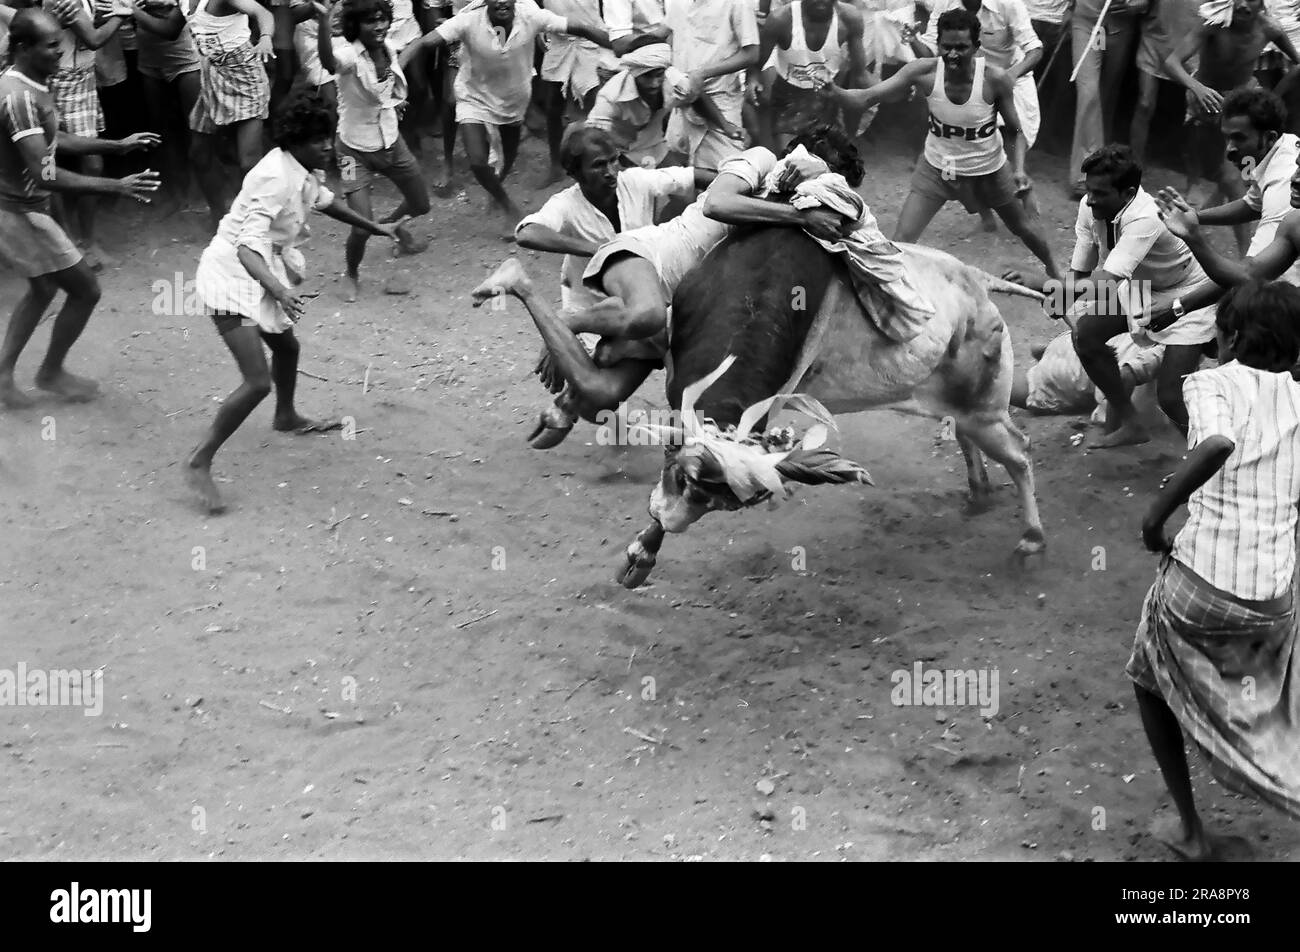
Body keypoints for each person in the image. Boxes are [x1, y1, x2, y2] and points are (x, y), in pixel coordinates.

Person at [471, 126, 925, 448]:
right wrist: (801, 216)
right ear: (807, 162)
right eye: (827, 182)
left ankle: (566, 384)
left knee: (602, 397)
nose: (826, 194)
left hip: (672, 298)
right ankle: (554, 318)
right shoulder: (763, 161)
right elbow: (719, 203)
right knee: (645, 315)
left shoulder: (786, 201)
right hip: (645, 255)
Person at [1132, 279, 1300, 860]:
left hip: (1203, 583)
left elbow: (1216, 443)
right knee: (1268, 710)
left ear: (1224, 338)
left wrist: (1156, 520)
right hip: (1273, 594)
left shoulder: (1209, 382)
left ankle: (1191, 830)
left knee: (1147, 674)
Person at [184, 89, 402, 515]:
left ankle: (286, 416)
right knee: (256, 382)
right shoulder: (273, 176)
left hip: (262, 270)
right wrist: (279, 290)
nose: (328, 145)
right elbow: (246, 247)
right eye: (317, 138)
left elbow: (327, 203)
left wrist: (372, 226)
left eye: (328, 136)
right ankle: (199, 460)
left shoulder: (303, 168)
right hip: (231, 275)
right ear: (293, 138)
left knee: (287, 347)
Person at [822, 7, 1061, 284]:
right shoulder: (922, 72)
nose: (953, 55)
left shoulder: (995, 79)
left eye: (962, 47)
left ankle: (1055, 272)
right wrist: (835, 92)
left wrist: (1019, 168)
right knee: (903, 241)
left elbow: (1016, 130)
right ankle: (895, 294)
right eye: (947, 47)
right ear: (938, 45)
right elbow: (865, 98)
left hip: (989, 170)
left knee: (1023, 227)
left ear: (976, 47)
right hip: (937, 170)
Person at [0, 7, 159, 409]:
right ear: (22, 47)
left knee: (43, 288)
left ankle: (7, 376)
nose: (60, 52)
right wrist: (116, 185)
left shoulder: (31, 82)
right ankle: (48, 372)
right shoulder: (17, 96)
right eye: (52, 45)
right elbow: (46, 173)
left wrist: (116, 145)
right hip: (18, 211)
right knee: (85, 289)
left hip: (23, 206)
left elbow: (55, 142)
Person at [1055, 145, 1217, 448]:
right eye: (1089, 190)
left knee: (1170, 397)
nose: (1090, 199)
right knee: (1086, 335)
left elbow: (1106, 280)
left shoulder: (1146, 217)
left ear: (1128, 193)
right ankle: (1132, 424)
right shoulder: (1090, 205)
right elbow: (1082, 270)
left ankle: (1207, 458)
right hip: (1141, 286)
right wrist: (1062, 297)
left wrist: (1051, 290)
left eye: (1101, 193)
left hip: (1188, 295)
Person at [400, 0, 611, 232]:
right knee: (478, 162)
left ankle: (496, 186)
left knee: (508, 157)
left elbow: (580, 28)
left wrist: (618, 44)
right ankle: (508, 206)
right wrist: (396, 68)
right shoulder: (468, 20)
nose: (501, 0)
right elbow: (422, 44)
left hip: (514, 101)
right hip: (474, 97)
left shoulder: (531, 15)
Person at [315, 0, 430, 301]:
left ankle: (393, 228)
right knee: (361, 227)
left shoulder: (390, 48)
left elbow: (387, 88)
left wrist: (396, 101)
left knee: (420, 204)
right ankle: (351, 273)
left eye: (381, 19)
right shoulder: (349, 57)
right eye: (370, 21)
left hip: (392, 142)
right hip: (353, 152)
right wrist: (324, 25)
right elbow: (329, 63)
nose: (378, 26)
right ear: (356, 26)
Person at [1165, 0, 1298, 251]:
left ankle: (1245, 254)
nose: (1244, 5)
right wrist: (1197, 87)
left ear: (1262, 4)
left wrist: (1273, 98)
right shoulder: (1213, 25)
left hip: (1240, 103)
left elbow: (1297, 62)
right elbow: (1172, 62)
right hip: (1206, 98)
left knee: (1231, 175)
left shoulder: (1270, 28)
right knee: (1205, 153)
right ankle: (1206, 197)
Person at [145, 0, 276, 228]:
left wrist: (265, 37)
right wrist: (134, 12)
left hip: (245, 78)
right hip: (212, 77)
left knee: (248, 162)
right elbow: (169, 30)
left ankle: (258, 222)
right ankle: (220, 218)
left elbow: (261, 12)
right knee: (199, 154)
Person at [916, 0, 1042, 230]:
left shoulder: (1009, 4)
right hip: (965, 78)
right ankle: (985, 210)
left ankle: (1020, 181)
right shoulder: (944, 4)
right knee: (971, 148)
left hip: (1012, 77)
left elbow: (1035, 49)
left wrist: (1009, 77)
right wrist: (912, 39)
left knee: (1014, 140)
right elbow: (931, 51)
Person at [45, 0, 131, 269]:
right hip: (59, 81)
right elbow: (93, 39)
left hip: (83, 79)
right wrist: (122, 15)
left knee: (89, 163)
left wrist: (108, 13)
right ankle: (69, 243)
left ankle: (84, 241)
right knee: (50, 165)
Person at [130, 0, 208, 217]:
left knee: (196, 129)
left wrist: (133, 11)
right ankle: (175, 193)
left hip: (184, 59)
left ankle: (199, 192)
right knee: (161, 133)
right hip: (149, 60)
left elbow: (171, 29)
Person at [756, 0, 867, 152]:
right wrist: (753, 81)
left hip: (828, 99)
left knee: (831, 167)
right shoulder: (780, 19)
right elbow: (757, 63)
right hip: (788, 101)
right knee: (790, 163)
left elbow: (861, 75)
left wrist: (894, 90)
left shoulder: (849, 18)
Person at [660, 0, 759, 168]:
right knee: (678, 176)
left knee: (726, 175)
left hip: (720, 99)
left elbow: (751, 54)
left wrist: (703, 73)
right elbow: (670, 34)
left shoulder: (738, 3)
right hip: (681, 100)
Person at [1069, 0, 1144, 198]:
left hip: (1119, 27)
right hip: (1088, 23)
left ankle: (1106, 162)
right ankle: (1086, 172)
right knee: (1089, 93)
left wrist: (1135, 5)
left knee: (1107, 95)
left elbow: (1146, 3)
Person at [1011, 327, 1164, 416]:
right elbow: (1114, 393)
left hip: (1079, 339)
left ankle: (1049, 351)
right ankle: (1046, 364)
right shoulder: (1152, 363)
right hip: (1072, 372)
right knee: (1000, 388)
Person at [585, 40, 675, 167]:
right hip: (625, 154)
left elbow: (696, 95)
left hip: (659, 146)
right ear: (634, 73)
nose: (654, 83)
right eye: (647, 77)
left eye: (659, 75)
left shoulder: (674, 81)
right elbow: (592, 133)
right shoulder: (611, 97)